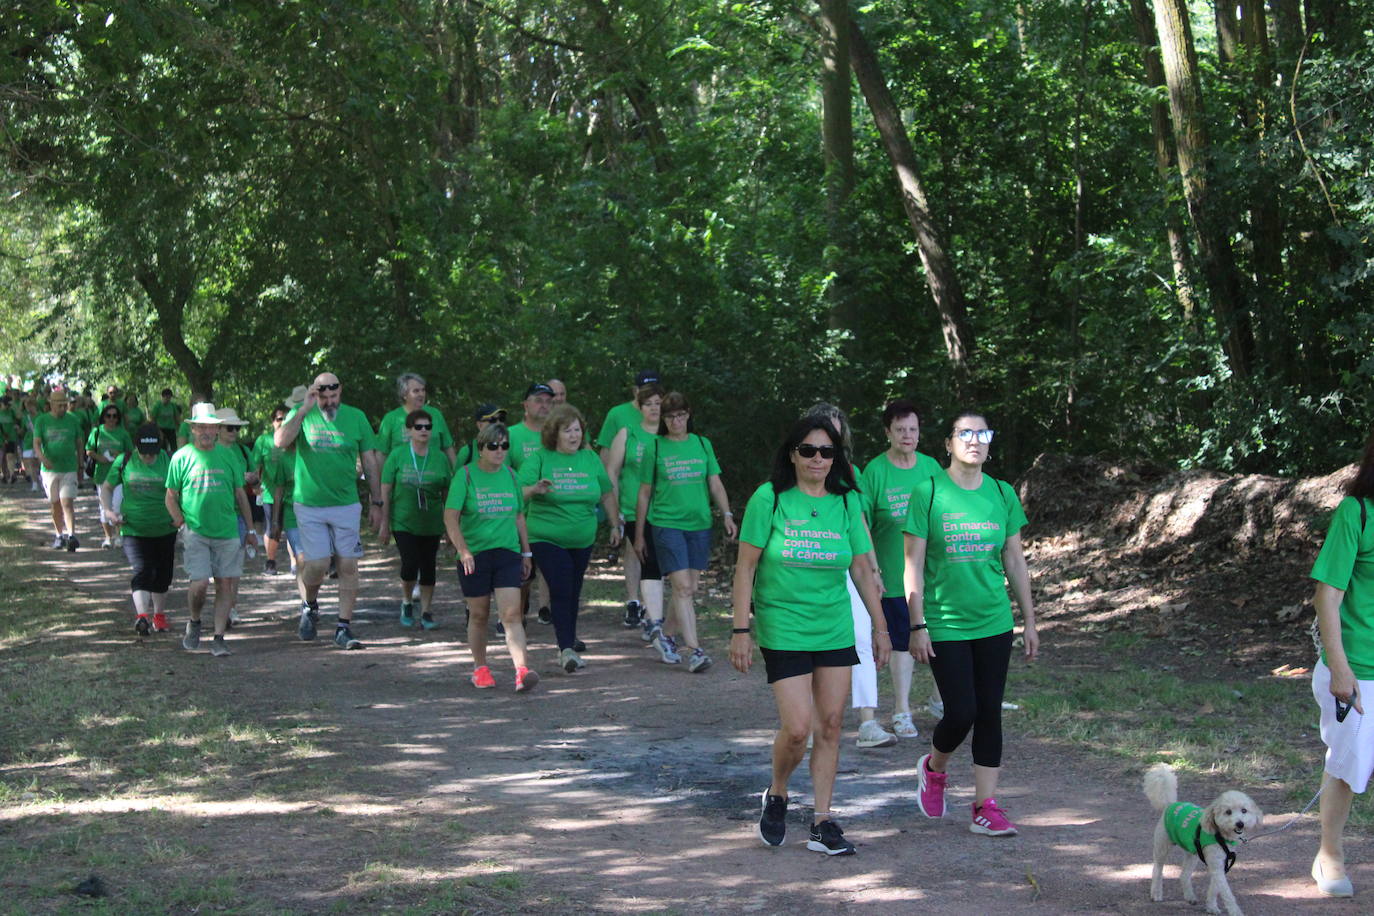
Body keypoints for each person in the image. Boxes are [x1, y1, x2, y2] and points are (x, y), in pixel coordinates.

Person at [730, 415, 888, 857]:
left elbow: (861, 567)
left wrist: (879, 627)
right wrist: (741, 628)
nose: (817, 459)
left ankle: (822, 821)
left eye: (826, 452)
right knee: (798, 729)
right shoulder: (770, 498)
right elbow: (746, 568)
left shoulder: (846, 501)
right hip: (783, 625)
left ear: (835, 458)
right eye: (808, 450)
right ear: (792, 454)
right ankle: (777, 791)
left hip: (833, 624)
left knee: (832, 725)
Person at [905, 409, 1039, 838]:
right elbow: (914, 563)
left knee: (990, 713)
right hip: (945, 622)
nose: (975, 440)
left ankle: (985, 806)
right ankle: (935, 766)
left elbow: (1014, 559)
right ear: (948, 443)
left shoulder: (1001, 493)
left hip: (994, 621)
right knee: (961, 710)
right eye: (966, 433)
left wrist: (1029, 621)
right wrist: (916, 623)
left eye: (983, 433)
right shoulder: (927, 492)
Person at [805, 402, 896, 749]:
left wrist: (873, 569)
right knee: (815, 641)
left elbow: (859, 523)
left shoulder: (851, 472)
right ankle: (814, 721)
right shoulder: (796, 467)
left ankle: (868, 723)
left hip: (849, 564)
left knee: (860, 637)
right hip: (810, 565)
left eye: (836, 426)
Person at [1308, 431, 1374, 899]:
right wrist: (1339, 669)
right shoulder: (1357, 513)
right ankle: (1328, 856)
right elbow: (1326, 596)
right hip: (1359, 667)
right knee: (1349, 768)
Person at [274, 371, 382, 650]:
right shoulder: (303, 412)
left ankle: (343, 627)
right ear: (315, 394)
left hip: (346, 503)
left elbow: (369, 461)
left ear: (341, 392)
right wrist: (304, 409)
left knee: (348, 564)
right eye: (324, 397)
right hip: (309, 504)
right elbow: (280, 442)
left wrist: (377, 501)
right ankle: (310, 605)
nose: (329, 402)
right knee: (318, 565)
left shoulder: (356, 417)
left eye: (334, 396)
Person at [634, 392, 736, 672]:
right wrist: (640, 534)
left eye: (680, 415)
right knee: (681, 588)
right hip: (667, 524)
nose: (676, 421)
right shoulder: (655, 448)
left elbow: (714, 483)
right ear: (664, 419)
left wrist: (726, 514)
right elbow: (644, 494)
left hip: (700, 525)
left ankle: (664, 634)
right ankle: (695, 650)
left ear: (688, 415)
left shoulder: (702, 444)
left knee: (689, 588)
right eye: (670, 416)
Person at [860, 399, 943, 740]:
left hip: (932, 576)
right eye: (900, 430)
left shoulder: (932, 467)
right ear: (888, 433)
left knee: (941, 639)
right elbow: (860, 520)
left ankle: (940, 700)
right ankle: (902, 711)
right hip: (893, 576)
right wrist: (872, 567)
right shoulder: (875, 471)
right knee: (900, 645)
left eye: (913, 429)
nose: (907, 436)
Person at [517, 403, 622, 672]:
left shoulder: (589, 459)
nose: (574, 436)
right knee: (562, 586)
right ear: (555, 433)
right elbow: (517, 492)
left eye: (577, 430)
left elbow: (606, 493)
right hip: (546, 536)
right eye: (568, 431)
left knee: (573, 590)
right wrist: (535, 489)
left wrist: (614, 524)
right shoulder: (540, 458)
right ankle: (565, 649)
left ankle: (568, 640)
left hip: (582, 539)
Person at [445, 421, 539, 691]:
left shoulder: (511, 475)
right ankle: (480, 668)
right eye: (493, 446)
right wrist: (463, 551)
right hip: (475, 555)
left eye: (505, 446)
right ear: (481, 448)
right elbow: (450, 517)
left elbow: (519, 516)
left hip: (507, 552)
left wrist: (526, 552)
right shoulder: (465, 476)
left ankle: (521, 671)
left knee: (511, 614)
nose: (500, 451)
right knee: (479, 614)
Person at [165, 403, 258, 657]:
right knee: (199, 584)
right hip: (196, 530)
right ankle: (195, 621)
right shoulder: (181, 457)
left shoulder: (229, 456)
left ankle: (218, 637)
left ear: (217, 429)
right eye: (201, 426)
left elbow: (241, 494)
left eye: (211, 426)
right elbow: (170, 496)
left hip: (227, 530)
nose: (207, 431)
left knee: (225, 584)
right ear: (193, 428)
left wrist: (250, 529)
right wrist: (180, 521)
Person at [378, 409, 454, 629]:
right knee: (410, 563)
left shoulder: (439, 457)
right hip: (403, 520)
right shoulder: (398, 455)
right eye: (419, 427)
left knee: (429, 566)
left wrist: (450, 527)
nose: (424, 431)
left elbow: (447, 492)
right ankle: (407, 601)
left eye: (428, 427)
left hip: (431, 521)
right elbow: (386, 487)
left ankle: (427, 612)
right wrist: (384, 522)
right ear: (409, 430)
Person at [102, 424, 176, 634]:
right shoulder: (124, 460)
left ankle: (159, 617)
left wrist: (181, 516)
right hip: (133, 528)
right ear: (137, 448)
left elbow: (183, 490)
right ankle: (142, 617)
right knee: (142, 569)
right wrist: (109, 511)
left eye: (152, 453)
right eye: (144, 453)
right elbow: (107, 487)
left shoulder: (170, 460)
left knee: (163, 575)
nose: (148, 458)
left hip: (165, 527)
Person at [604, 382, 665, 633]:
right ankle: (652, 619)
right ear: (639, 408)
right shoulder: (627, 433)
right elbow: (612, 471)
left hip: (665, 511)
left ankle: (658, 619)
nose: (653, 408)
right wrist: (615, 511)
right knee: (649, 561)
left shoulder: (669, 435)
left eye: (658, 404)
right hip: (632, 509)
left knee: (659, 564)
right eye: (648, 404)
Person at [33, 389, 86, 551]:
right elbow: (36, 443)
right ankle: (59, 535)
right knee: (55, 504)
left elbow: (79, 442)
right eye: (60, 405)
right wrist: (43, 459)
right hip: (50, 470)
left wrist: (80, 464)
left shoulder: (72, 420)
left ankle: (72, 536)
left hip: (69, 467)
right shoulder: (42, 421)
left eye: (65, 405)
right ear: (51, 405)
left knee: (67, 502)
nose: (63, 408)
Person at [376, 373, 458, 466]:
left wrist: (457, 474)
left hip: (435, 474)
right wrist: (379, 480)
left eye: (423, 390)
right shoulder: (391, 418)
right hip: (402, 477)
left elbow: (448, 448)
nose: (421, 394)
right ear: (404, 395)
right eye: (416, 391)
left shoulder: (435, 414)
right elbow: (381, 454)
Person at [86, 402, 135, 548]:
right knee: (104, 508)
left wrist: (119, 455)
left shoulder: (123, 433)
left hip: (119, 476)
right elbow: (89, 450)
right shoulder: (97, 432)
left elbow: (130, 453)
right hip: (101, 475)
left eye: (115, 416)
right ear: (103, 417)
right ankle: (107, 537)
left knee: (117, 506)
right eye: (108, 416)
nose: (112, 419)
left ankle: (119, 535)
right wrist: (99, 457)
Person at [253, 402, 291, 573]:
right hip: (269, 492)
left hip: (293, 493)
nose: (282, 422)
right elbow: (255, 465)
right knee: (272, 526)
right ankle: (271, 560)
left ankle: (296, 562)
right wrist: (255, 485)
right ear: (272, 421)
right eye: (278, 419)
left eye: (285, 419)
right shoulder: (264, 440)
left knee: (290, 526)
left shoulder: (296, 438)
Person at [596, 370, 660, 454]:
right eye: (646, 390)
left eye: (655, 390)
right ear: (635, 391)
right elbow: (606, 450)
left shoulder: (666, 412)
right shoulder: (617, 413)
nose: (651, 394)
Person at [508, 382, 554, 471]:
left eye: (548, 402)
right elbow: (501, 473)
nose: (544, 406)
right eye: (538, 401)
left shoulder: (560, 433)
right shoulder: (509, 435)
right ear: (526, 405)